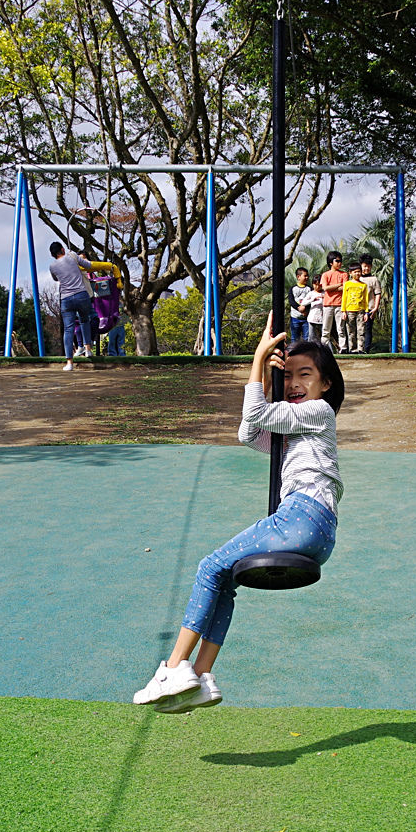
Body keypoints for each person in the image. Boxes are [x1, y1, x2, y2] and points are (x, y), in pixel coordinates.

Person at [132, 317, 345, 714]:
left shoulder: (318, 412)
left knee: (208, 566)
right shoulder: (295, 427)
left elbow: (258, 413)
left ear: (325, 384)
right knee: (224, 579)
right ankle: (202, 677)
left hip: (301, 517)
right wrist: (267, 377)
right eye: (289, 376)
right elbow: (249, 432)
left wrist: (258, 360)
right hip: (317, 528)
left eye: (305, 375)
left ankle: (174, 668)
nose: (295, 384)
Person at [48, 242, 120, 371]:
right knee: (85, 320)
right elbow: (88, 266)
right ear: (63, 249)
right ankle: (88, 349)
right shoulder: (73, 256)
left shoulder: (52, 266)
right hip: (81, 295)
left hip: (66, 298)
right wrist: (109, 266)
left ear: (53, 255)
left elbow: (55, 278)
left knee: (68, 330)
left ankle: (69, 363)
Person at [319, 251, 348, 352]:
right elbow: (325, 288)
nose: (340, 263)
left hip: (340, 305)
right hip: (328, 305)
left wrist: (331, 287)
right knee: (326, 330)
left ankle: (343, 348)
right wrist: (338, 285)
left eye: (341, 261)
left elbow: (345, 287)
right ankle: (324, 349)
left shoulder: (344, 274)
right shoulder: (325, 275)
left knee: (341, 329)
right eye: (337, 261)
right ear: (331, 262)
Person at [340, 264, 369, 354]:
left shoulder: (364, 285)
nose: (357, 273)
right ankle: (352, 349)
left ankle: (361, 349)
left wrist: (366, 312)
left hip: (360, 311)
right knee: (351, 331)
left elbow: (366, 299)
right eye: (355, 272)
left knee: (361, 331)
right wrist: (343, 311)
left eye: (359, 271)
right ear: (350, 273)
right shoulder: (347, 284)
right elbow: (344, 298)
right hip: (349, 311)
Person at [358, 256, 384, 352]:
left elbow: (378, 293)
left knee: (367, 330)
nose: (366, 268)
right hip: (356, 308)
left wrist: (375, 307)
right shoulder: (357, 278)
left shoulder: (374, 279)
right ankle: (356, 349)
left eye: (368, 266)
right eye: (364, 266)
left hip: (369, 308)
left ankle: (366, 350)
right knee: (357, 330)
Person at [289, 267, 313, 342]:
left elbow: (312, 300)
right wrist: (299, 308)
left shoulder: (309, 289)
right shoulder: (293, 288)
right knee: (294, 338)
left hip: (306, 318)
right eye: (305, 276)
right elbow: (291, 301)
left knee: (307, 338)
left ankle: (306, 353)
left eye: (307, 276)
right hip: (295, 318)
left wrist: (305, 308)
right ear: (298, 277)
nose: (307, 277)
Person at [307, 275, 326, 341]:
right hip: (312, 317)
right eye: (316, 284)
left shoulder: (325, 293)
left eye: (319, 285)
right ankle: (310, 350)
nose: (317, 287)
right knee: (311, 336)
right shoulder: (311, 293)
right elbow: (303, 303)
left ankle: (328, 350)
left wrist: (324, 298)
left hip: (322, 317)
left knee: (325, 335)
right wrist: (313, 299)